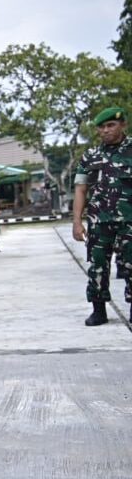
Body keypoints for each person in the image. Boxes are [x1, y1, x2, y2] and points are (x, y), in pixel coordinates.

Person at [72, 107, 132, 325]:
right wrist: (77, 221)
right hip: (99, 222)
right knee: (97, 265)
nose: (106, 131)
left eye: (111, 125)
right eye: (102, 127)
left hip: (129, 222)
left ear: (122, 125)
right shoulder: (91, 156)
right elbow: (80, 188)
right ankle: (99, 310)